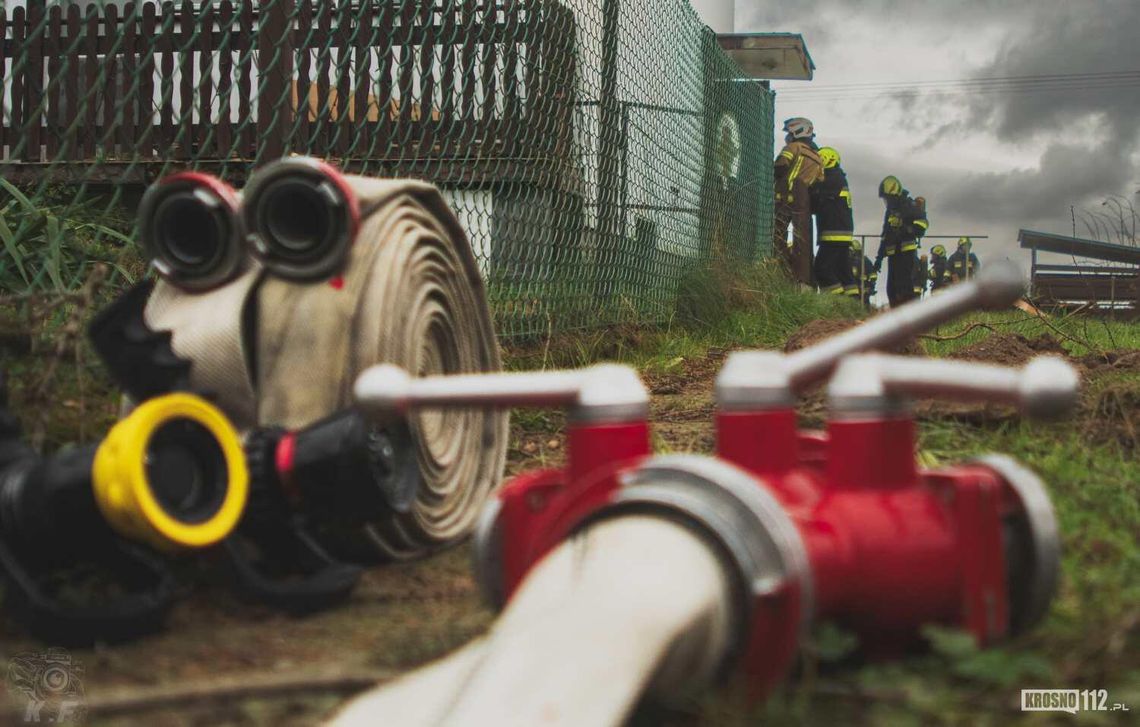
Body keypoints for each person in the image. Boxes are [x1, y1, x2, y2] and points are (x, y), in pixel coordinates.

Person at [773, 117, 824, 286]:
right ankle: (802, 280)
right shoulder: (818, 158)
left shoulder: (793, 147)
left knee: (776, 236)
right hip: (804, 204)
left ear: (797, 131)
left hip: (783, 199)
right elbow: (819, 182)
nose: (787, 137)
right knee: (802, 243)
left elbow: (780, 166)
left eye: (788, 133)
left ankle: (778, 272)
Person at [810, 147, 859, 297]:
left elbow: (815, 199)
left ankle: (837, 301)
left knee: (822, 269)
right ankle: (853, 302)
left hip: (833, 234)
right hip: (842, 233)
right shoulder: (838, 178)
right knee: (843, 271)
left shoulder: (831, 179)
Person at [874, 176, 929, 307]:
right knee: (891, 289)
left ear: (895, 194)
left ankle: (909, 318)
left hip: (906, 254)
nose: (886, 201)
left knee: (904, 288)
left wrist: (904, 227)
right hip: (893, 256)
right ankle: (895, 318)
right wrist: (879, 258)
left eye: (887, 198)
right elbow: (885, 235)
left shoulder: (910, 206)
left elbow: (922, 226)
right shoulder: (890, 211)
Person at [850, 239, 878, 307]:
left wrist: (871, 285)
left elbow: (873, 275)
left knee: (862, 305)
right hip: (855, 288)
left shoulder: (864, 260)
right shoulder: (849, 261)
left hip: (862, 287)